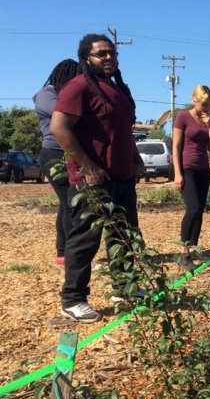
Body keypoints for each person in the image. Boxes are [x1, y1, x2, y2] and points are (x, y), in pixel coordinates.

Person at [51, 34, 144, 323]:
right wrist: (88, 166)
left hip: (121, 176)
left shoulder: (115, 89)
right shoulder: (77, 87)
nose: (109, 58)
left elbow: (123, 131)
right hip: (92, 180)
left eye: (112, 53)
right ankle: (73, 299)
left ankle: (123, 288)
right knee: (85, 239)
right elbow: (59, 128)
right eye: (101, 54)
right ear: (86, 59)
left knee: (124, 234)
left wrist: (135, 159)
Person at [33, 59, 79, 266]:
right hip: (53, 154)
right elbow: (67, 114)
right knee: (71, 204)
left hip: (70, 153)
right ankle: (71, 255)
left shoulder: (66, 95)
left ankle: (63, 253)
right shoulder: (46, 94)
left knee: (67, 204)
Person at [172, 85, 210, 270]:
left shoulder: (207, 120)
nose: (207, 108)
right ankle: (183, 253)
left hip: (203, 170)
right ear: (194, 100)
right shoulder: (183, 117)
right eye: (204, 104)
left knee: (199, 210)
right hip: (187, 168)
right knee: (193, 207)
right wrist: (177, 173)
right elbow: (175, 146)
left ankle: (191, 251)